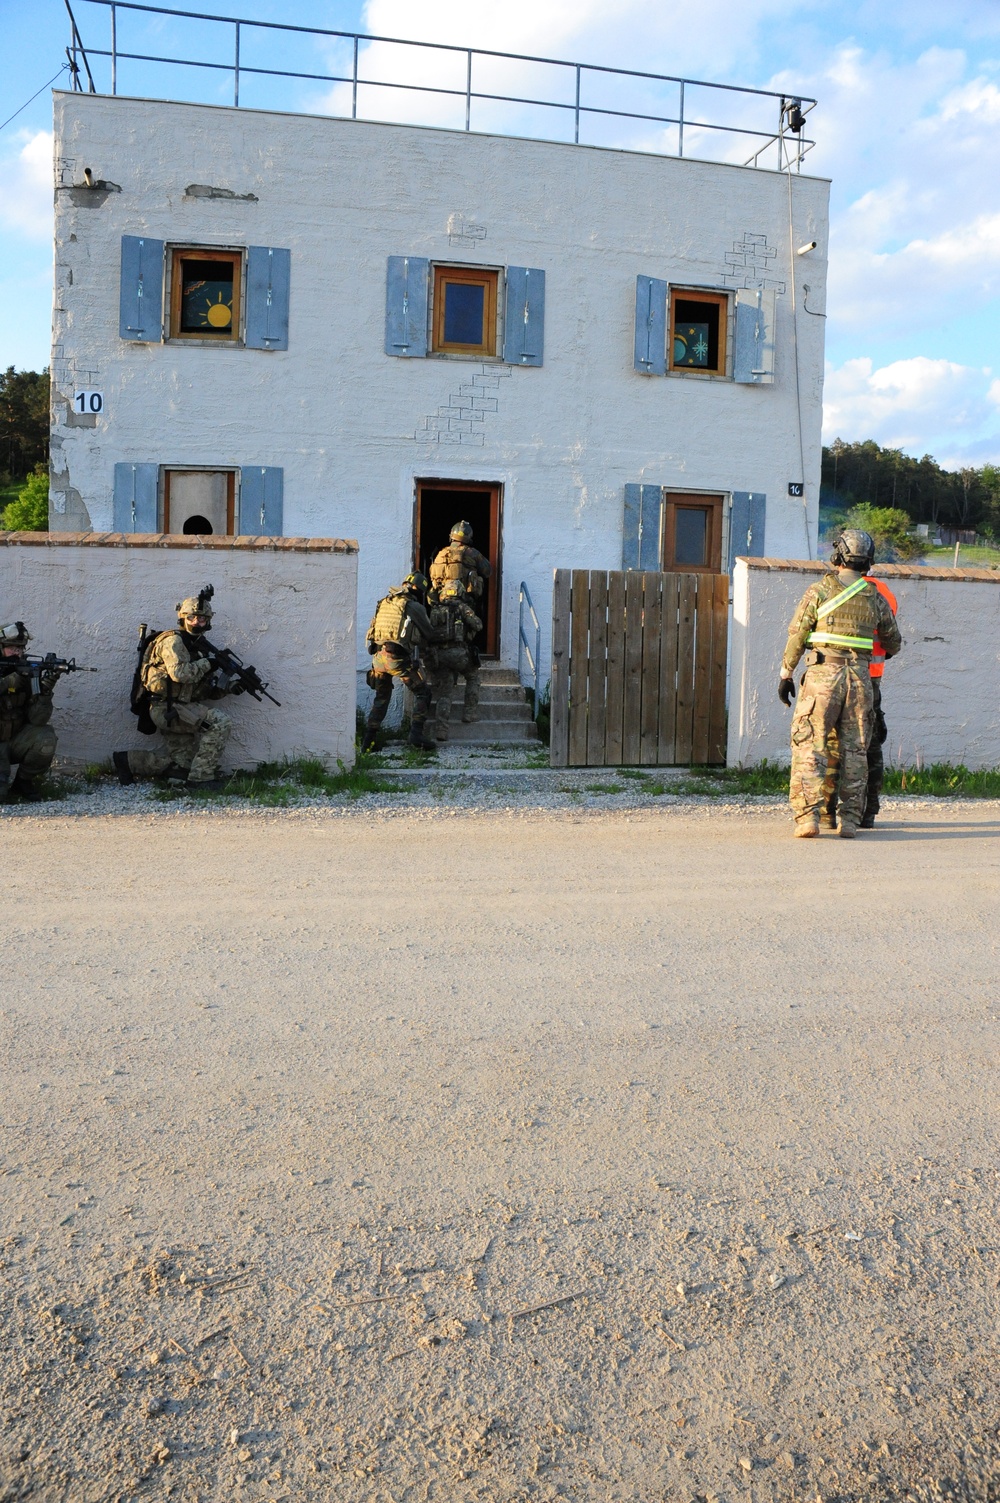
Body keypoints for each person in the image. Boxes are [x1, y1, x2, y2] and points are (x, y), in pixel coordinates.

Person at [778, 529, 901, 839]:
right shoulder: (875, 596)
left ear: (838, 556)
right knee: (856, 750)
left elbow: (798, 635)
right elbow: (894, 642)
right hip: (860, 680)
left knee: (810, 745)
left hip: (822, 676)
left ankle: (808, 818)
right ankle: (850, 821)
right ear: (868, 561)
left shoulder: (818, 590)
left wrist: (786, 674)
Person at [112, 588, 242, 790]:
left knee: (182, 770)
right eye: (191, 618)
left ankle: (128, 761)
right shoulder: (173, 641)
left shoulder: (196, 647)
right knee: (220, 723)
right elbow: (180, 674)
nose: (196, 623)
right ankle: (202, 779)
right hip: (168, 708)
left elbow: (202, 691)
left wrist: (230, 687)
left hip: (181, 708)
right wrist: (209, 663)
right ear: (182, 617)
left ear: (208, 622)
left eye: (202, 619)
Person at [822, 574, 898, 830]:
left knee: (834, 744)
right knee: (868, 746)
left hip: (833, 675)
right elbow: (892, 640)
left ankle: (827, 812)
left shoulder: (830, 588)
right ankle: (867, 812)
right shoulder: (882, 591)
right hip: (870, 678)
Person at [361, 572, 442, 754]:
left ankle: (368, 742)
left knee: (381, 698)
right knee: (423, 692)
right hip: (396, 659)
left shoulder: (385, 601)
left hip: (378, 658)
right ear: (419, 590)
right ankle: (416, 735)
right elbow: (429, 633)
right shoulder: (413, 606)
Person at [0, 621, 57, 803]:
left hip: (15, 741)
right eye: (11, 648)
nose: (16, 653)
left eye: (20, 649)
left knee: (45, 737)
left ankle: (23, 782)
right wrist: (7, 683)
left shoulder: (25, 674)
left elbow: (37, 720)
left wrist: (45, 692)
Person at [428, 579, 482, 741]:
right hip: (458, 654)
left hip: (439, 655)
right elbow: (478, 625)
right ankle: (469, 713)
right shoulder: (462, 607)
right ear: (460, 592)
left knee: (445, 693)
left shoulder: (435, 609)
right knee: (473, 677)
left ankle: (441, 730)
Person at [428, 521, 491, 610]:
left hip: (442, 601)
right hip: (465, 603)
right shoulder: (472, 553)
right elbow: (488, 571)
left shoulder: (440, 554)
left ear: (451, 536)